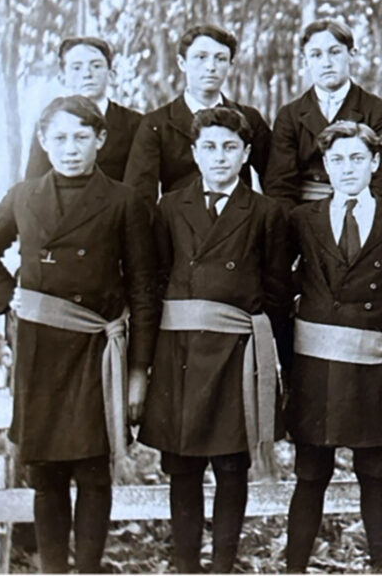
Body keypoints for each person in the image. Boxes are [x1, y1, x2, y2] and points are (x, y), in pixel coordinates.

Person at [0, 96, 156, 573]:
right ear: (43, 142)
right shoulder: (23, 196)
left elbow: (142, 289)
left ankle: (88, 568)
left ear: (100, 140)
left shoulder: (123, 200)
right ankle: (53, 568)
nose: (70, 148)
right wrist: (9, 299)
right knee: (46, 471)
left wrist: (138, 370)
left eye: (80, 137)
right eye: (59, 138)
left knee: (94, 470)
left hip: (96, 350)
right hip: (38, 349)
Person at [138, 107, 292, 573]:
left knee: (230, 465)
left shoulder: (266, 212)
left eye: (230, 148)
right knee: (181, 466)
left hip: (235, 355)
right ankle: (185, 563)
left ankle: (225, 563)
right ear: (194, 152)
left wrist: (278, 366)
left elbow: (278, 293)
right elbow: (153, 281)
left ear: (246, 154)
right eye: (209, 147)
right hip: (178, 353)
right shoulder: (168, 207)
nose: (219, 157)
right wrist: (144, 364)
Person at [285, 121, 382, 572]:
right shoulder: (301, 219)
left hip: (371, 362)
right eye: (338, 159)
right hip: (316, 363)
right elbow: (279, 282)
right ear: (325, 165)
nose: (348, 168)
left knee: (375, 473)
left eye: (357, 158)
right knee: (310, 475)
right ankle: (295, 567)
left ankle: (380, 566)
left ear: (375, 163)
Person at [124, 24, 271, 206]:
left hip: (239, 225)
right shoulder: (157, 124)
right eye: (200, 57)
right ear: (182, 63)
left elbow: (275, 178)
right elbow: (140, 195)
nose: (211, 67)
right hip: (179, 228)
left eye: (220, 59)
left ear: (230, 64)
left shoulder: (249, 118)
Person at [264, 19, 382, 209]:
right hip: (303, 212)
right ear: (305, 60)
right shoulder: (290, 115)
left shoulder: (376, 110)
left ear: (351, 54)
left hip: (360, 210)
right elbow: (280, 184)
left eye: (334, 52)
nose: (326, 63)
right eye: (316, 55)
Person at [24, 37, 144, 181]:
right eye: (76, 67)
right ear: (63, 78)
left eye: (96, 66)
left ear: (111, 75)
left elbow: (141, 189)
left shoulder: (136, 124)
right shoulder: (49, 124)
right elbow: (34, 188)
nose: (87, 74)